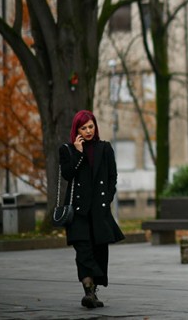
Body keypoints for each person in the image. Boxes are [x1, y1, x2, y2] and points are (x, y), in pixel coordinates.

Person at [59, 110, 125, 309]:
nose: (88, 131)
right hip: (78, 212)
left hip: (99, 211)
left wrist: (108, 197)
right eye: (83, 127)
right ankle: (88, 292)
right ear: (76, 130)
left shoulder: (104, 148)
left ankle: (93, 291)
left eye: (91, 126)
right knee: (84, 251)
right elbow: (68, 175)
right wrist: (78, 153)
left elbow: (112, 176)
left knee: (98, 252)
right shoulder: (68, 150)